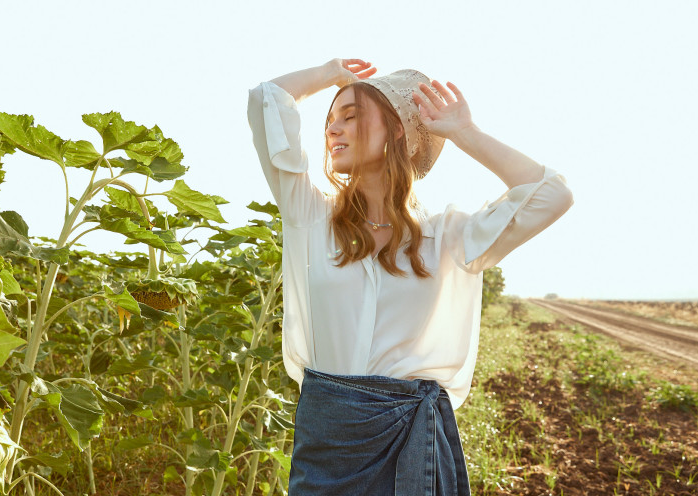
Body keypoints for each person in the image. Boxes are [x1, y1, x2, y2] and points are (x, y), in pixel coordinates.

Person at [246, 58, 574, 495]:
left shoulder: (449, 237)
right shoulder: (310, 217)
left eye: (352, 116)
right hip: (329, 439)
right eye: (330, 120)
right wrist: (332, 73)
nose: (332, 130)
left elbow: (551, 194)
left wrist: (463, 132)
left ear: (397, 129)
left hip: (411, 441)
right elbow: (265, 101)